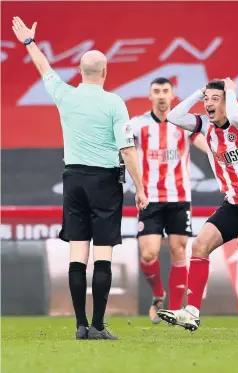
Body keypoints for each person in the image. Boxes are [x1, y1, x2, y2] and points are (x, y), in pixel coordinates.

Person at [12, 16, 149, 340]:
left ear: (80, 72)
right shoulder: (115, 102)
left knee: (78, 252)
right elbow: (128, 150)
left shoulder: (66, 95)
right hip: (105, 182)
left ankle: (80, 325)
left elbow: (44, 70)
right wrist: (140, 188)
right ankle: (99, 325)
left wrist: (30, 43)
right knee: (103, 252)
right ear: (104, 72)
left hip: (73, 180)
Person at [155, 78, 238, 334]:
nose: (209, 104)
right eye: (207, 100)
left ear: (227, 101)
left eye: (215, 99)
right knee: (200, 244)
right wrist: (199, 93)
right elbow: (175, 116)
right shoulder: (205, 127)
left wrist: (231, 92)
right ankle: (191, 312)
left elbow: (234, 114)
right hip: (233, 202)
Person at [128, 77, 208, 324]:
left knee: (178, 249)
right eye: (157, 91)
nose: (161, 95)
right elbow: (125, 149)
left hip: (179, 197)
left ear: (173, 96)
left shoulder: (182, 125)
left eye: (165, 91)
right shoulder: (138, 125)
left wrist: (219, 151)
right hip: (149, 198)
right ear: (150, 96)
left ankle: (173, 310)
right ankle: (157, 294)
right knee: (149, 253)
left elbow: (204, 143)